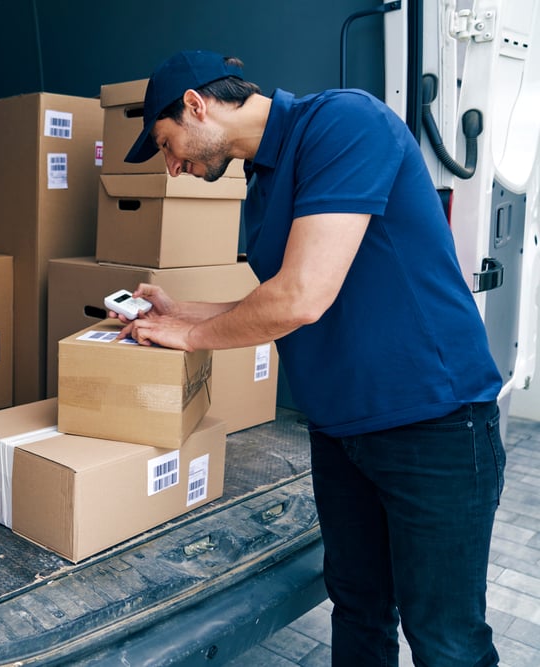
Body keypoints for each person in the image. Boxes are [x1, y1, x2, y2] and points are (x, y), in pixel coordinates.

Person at [114, 49, 506, 667]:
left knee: (446, 640)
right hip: (343, 435)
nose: (174, 166)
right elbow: (271, 298)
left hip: (432, 427)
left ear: (196, 104)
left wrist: (190, 339)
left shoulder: (344, 124)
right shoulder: (264, 179)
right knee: (358, 611)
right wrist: (179, 310)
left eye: (168, 144)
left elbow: (300, 298)